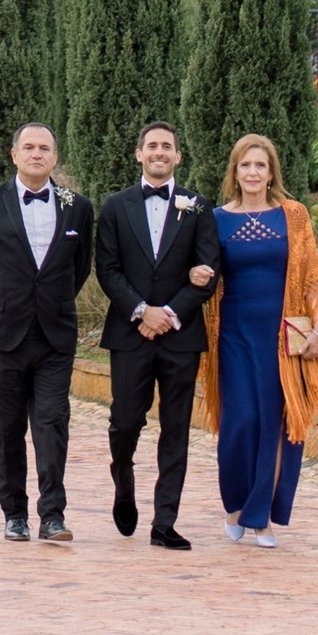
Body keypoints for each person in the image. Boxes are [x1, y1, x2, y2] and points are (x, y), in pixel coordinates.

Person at [0, 121, 93, 542]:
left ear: (55, 157)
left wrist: (49, 303)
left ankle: (52, 515)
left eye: (45, 148)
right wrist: (0, 304)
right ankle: (14, 512)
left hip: (55, 335)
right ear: (14, 154)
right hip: (3, 335)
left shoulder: (78, 207)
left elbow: (79, 268)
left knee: (53, 422)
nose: (37, 154)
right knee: (8, 426)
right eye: (29, 147)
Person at [199, 130, 318, 545]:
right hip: (233, 335)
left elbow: (312, 277)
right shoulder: (217, 218)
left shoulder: (293, 215)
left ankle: (262, 516)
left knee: (278, 422)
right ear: (235, 173)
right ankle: (235, 505)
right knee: (241, 421)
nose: (253, 172)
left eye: (261, 165)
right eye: (246, 165)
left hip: (282, 336)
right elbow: (204, 273)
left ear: (271, 172)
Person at [93, 120, 219, 551]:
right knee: (125, 422)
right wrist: (142, 312)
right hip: (130, 334)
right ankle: (123, 481)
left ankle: (165, 522)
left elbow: (208, 274)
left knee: (176, 429)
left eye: (167, 146)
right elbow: (106, 270)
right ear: (139, 154)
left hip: (181, 337)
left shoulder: (198, 207)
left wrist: (169, 313)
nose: (159, 152)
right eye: (152, 146)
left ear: (178, 157)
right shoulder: (114, 206)